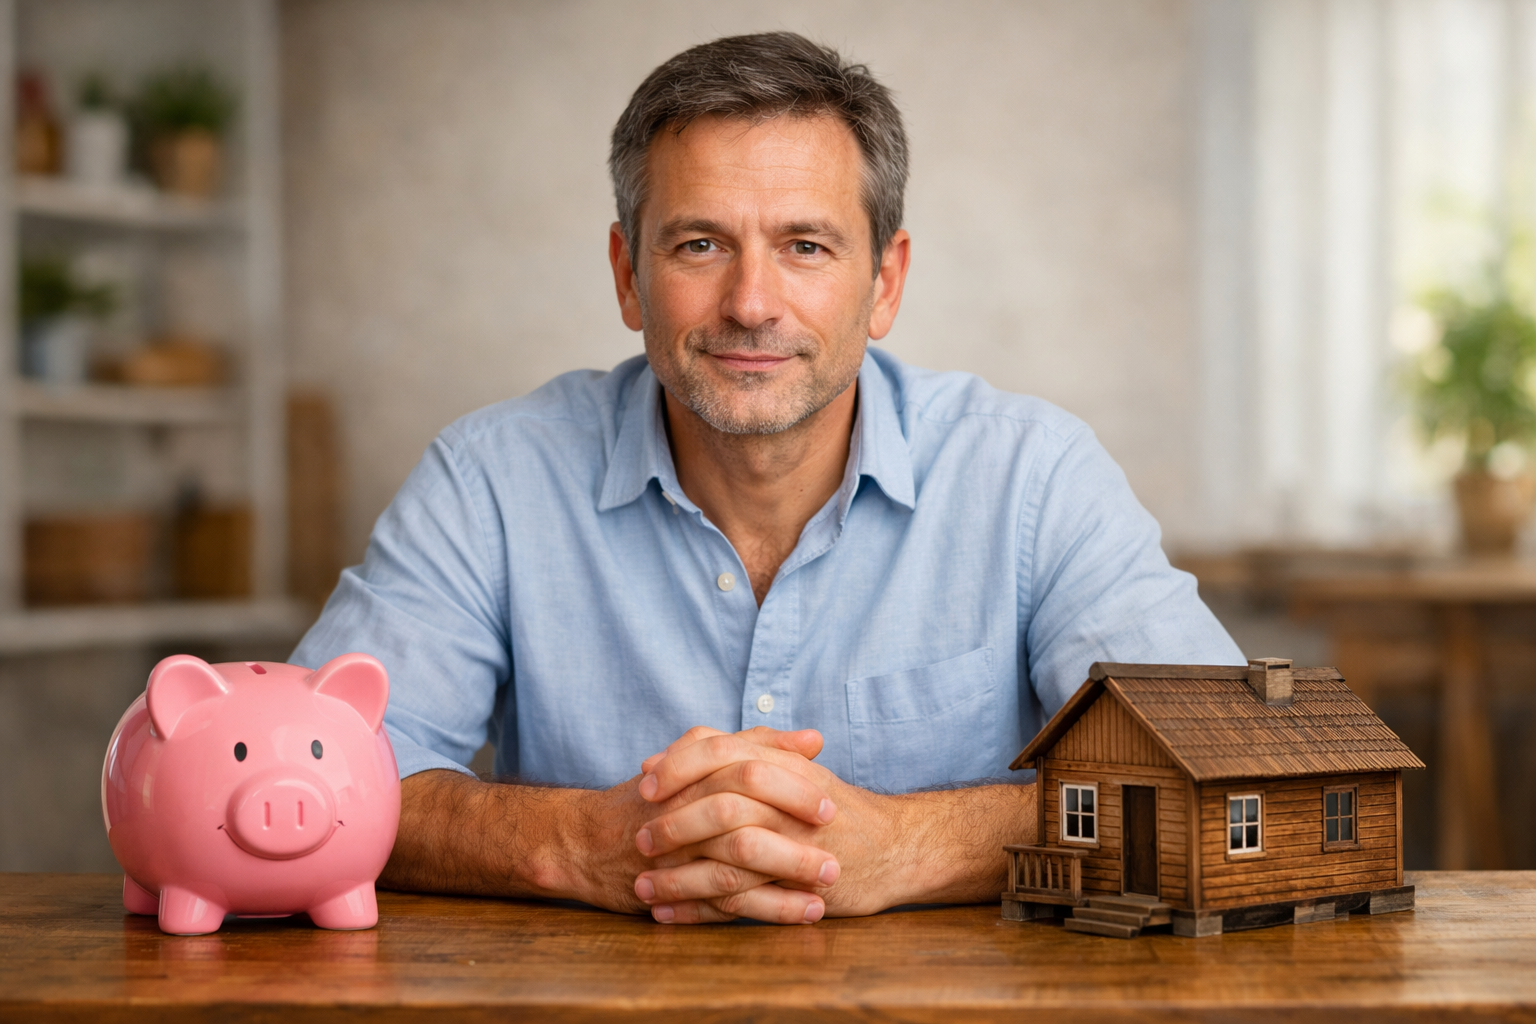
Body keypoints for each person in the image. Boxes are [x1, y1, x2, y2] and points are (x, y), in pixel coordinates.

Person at [291, 31, 1242, 926]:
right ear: (628, 275)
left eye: (806, 247)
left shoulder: (1034, 477)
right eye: (699, 244)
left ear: (886, 283)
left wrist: (911, 846)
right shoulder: (489, 481)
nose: (751, 304)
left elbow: (1219, 776)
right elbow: (314, 769)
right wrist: (578, 845)